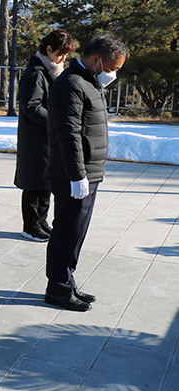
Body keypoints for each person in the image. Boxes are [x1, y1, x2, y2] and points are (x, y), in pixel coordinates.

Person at [44, 34, 129, 312]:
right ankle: (57, 288)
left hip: (87, 172)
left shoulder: (88, 82)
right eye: (113, 68)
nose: (114, 74)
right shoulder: (70, 84)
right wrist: (77, 175)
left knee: (76, 231)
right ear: (96, 61)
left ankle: (66, 282)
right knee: (67, 232)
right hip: (73, 174)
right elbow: (69, 135)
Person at [14, 29, 76, 242]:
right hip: (35, 139)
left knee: (46, 183)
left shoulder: (52, 70)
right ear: (48, 49)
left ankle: (42, 222)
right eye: (61, 54)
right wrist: (54, 122)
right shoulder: (35, 72)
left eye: (66, 55)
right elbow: (30, 106)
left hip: (49, 138)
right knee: (33, 185)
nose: (64, 59)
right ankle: (30, 226)